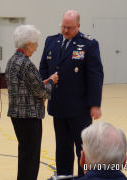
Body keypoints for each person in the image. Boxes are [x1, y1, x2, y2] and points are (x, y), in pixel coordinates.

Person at [39, 10, 104, 178]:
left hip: (79, 108)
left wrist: (95, 104)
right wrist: (43, 93)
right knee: (62, 148)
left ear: (78, 26)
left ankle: (85, 177)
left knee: (83, 149)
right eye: (63, 27)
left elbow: (95, 76)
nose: (65, 31)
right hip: (58, 105)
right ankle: (63, 176)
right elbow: (43, 69)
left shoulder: (89, 44)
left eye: (70, 27)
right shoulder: (51, 41)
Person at [5, 25, 58, 180]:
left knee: (25, 155)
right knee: (31, 159)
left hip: (17, 115)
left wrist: (43, 83)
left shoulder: (12, 61)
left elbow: (26, 86)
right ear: (28, 44)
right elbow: (42, 92)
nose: (36, 49)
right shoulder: (27, 64)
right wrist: (52, 81)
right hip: (29, 116)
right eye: (35, 45)